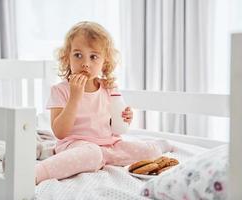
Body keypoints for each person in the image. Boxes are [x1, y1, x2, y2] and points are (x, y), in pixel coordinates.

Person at [35, 21, 174, 184]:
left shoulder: (108, 88)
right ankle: (36, 172)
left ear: (104, 62)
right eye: (78, 55)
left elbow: (117, 126)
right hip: (75, 146)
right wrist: (74, 98)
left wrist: (126, 117)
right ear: (67, 57)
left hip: (109, 146)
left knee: (148, 152)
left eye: (93, 56)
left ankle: (159, 146)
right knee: (92, 153)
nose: (85, 63)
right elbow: (60, 132)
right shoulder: (60, 90)